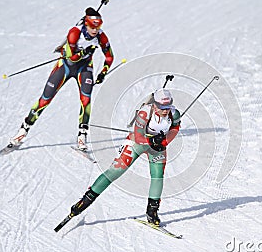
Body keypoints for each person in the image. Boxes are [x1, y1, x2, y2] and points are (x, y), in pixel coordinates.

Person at [69, 88, 181, 226]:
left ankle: (152, 211)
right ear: (155, 104)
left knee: (158, 176)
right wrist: (151, 141)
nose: (165, 110)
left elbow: (175, 128)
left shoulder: (174, 114)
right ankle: (85, 200)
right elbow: (138, 136)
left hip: (157, 146)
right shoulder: (145, 113)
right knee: (116, 170)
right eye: (162, 107)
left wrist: (164, 142)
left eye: (168, 106)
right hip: (137, 142)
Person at [9, 7, 114, 151]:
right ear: (86, 24)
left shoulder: (101, 37)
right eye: (92, 27)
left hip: (84, 69)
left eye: (98, 27)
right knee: (45, 99)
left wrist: (103, 72)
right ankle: (23, 129)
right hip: (65, 66)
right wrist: (85, 51)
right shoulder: (75, 32)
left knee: (86, 100)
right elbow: (72, 57)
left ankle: (82, 136)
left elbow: (109, 56)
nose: (95, 31)